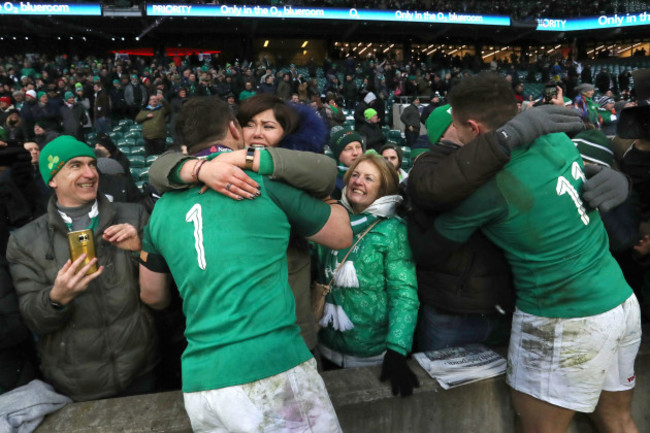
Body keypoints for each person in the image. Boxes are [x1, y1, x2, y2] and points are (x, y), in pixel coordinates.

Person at [422, 72, 641, 433]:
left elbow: (431, 246)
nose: (453, 137)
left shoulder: (489, 186)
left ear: (474, 129)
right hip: (618, 303)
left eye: (455, 130)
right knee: (618, 421)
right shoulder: (555, 138)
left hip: (563, 318)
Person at [139, 96, 350, 432]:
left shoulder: (161, 210)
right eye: (249, 125)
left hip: (200, 382)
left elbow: (152, 294)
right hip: (270, 369)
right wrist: (325, 199)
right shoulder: (261, 183)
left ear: (183, 144)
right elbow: (341, 235)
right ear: (234, 128)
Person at [148, 93, 334, 353]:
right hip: (225, 329)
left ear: (287, 134)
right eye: (250, 125)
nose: (257, 134)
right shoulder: (208, 169)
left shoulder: (293, 174)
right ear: (234, 129)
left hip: (290, 326)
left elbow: (327, 174)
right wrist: (201, 169)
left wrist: (243, 158)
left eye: (268, 127)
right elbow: (160, 168)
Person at [6, 136, 157, 401]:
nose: (90, 173)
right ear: (52, 179)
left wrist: (141, 251)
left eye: (92, 164)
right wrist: (56, 298)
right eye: (75, 165)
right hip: (77, 381)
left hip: (142, 368)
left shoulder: (133, 216)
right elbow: (32, 317)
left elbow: (161, 296)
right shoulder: (25, 241)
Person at [314, 154, 420, 397]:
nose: (358, 181)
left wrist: (397, 348)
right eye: (355, 174)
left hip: (369, 352)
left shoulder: (393, 230)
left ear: (383, 189)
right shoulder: (330, 217)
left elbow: (403, 293)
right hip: (326, 345)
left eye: (369, 178)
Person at [328, 126, 364, 199]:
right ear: (338, 155)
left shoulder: (373, 172)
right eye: (348, 149)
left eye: (358, 147)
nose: (355, 153)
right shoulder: (332, 183)